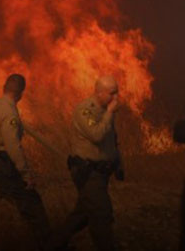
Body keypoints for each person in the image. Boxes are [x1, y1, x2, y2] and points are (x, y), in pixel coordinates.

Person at [0, 73, 51, 244]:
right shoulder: (10, 113)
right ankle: (49, 245)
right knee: (32, 205)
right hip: (3, 167)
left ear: (4, 88)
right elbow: (13, 147)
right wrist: (26, 174)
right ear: (21, 93)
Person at [50, 75, 122, 250]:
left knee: (82, 214)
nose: (116, 98)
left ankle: (52, 244)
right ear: (99, 93)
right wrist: (110, 113)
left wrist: (119, 164)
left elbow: (111, 141)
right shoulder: (85, 111)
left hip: (102, 173)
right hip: (88, 172)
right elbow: (96, 135)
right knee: (101, 214)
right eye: (112, 93)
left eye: (117, 92)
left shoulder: (105, 112)